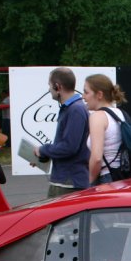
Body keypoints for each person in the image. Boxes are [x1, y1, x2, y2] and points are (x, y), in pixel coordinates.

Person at [34, 67, 90, 197]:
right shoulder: (73, 108)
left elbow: (69, 147)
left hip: (68, 183)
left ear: (58, 86)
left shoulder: (75, 110)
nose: (49, 89)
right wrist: (42, 155)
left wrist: (43, 150)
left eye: (49, 85)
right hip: (67, 180)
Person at [82, 73, 128, 184]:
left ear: (99, 94)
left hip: (106, 178)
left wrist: (90, 181)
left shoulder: (97, 116)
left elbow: (97, 158)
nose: (83, 97)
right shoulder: (119, 113)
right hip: (123, 176)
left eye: (86, 92)